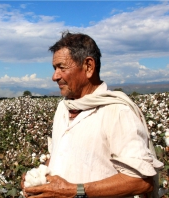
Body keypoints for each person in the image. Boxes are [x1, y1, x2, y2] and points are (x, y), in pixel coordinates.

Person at [22, 31, 163, 198]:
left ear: (88, 66)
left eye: (61, 67)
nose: (54, 76)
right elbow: (60, 155)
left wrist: (76, 191)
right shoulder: (63, 108)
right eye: (54, 68)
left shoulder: (117, 112)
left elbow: (141, 181)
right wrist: (38, 179)